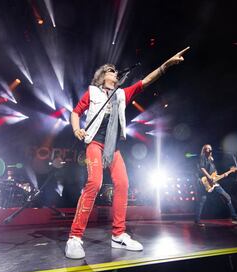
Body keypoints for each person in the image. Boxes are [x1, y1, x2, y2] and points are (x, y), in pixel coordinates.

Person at [65, 47, 190, 259]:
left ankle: (118, 234)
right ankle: (74, 238)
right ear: (103, 76)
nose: (115, 72)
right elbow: (75, 112)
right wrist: (77, 129)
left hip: (113, 147)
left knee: (123, 184)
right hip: (94, 143)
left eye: (115, 70)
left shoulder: (121, 94)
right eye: (111, 70)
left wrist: (166, 65)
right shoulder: (92, 93)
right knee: (94, 183)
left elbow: (145, 81)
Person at [194, 144, 237, 226]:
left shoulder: (211, 160)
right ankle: (197, 221)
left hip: (214, 182)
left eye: (210, 148)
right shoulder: (202, 157)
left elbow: (214, 174)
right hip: (205, 182)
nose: (209, 150)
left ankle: (234, 216)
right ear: (204, 150)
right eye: (207, 148)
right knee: (201, 201)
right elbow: (202, 168)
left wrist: (228, 172)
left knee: (227, 196)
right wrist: (209, 177)